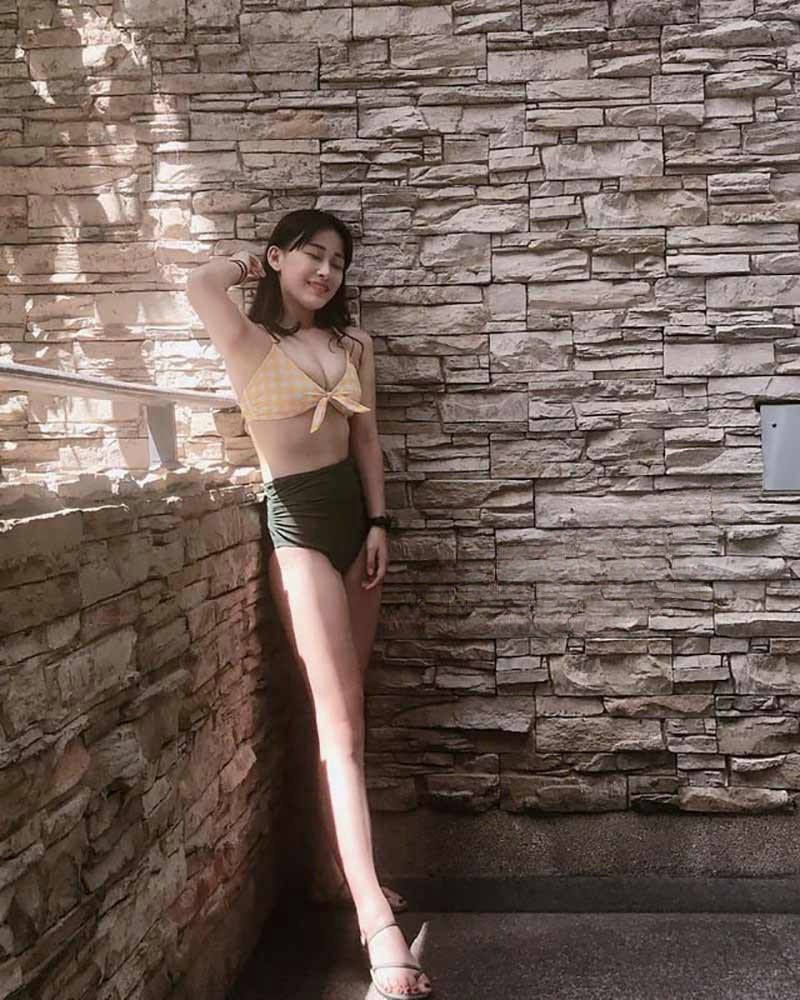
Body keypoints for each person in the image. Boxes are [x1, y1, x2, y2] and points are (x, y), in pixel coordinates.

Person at [186, 209, 433, 999]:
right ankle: (375, 923)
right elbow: (198, 283)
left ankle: (333, 871)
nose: (326, 271)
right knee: (339, 724)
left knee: (350, 713)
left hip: (354, 528)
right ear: (278, 258)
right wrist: (248, 263)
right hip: (295, 530)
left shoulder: (352, 344)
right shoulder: (249, 341)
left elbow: (366, 439)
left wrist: (380, 523)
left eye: (337, 261)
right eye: (311, 256)